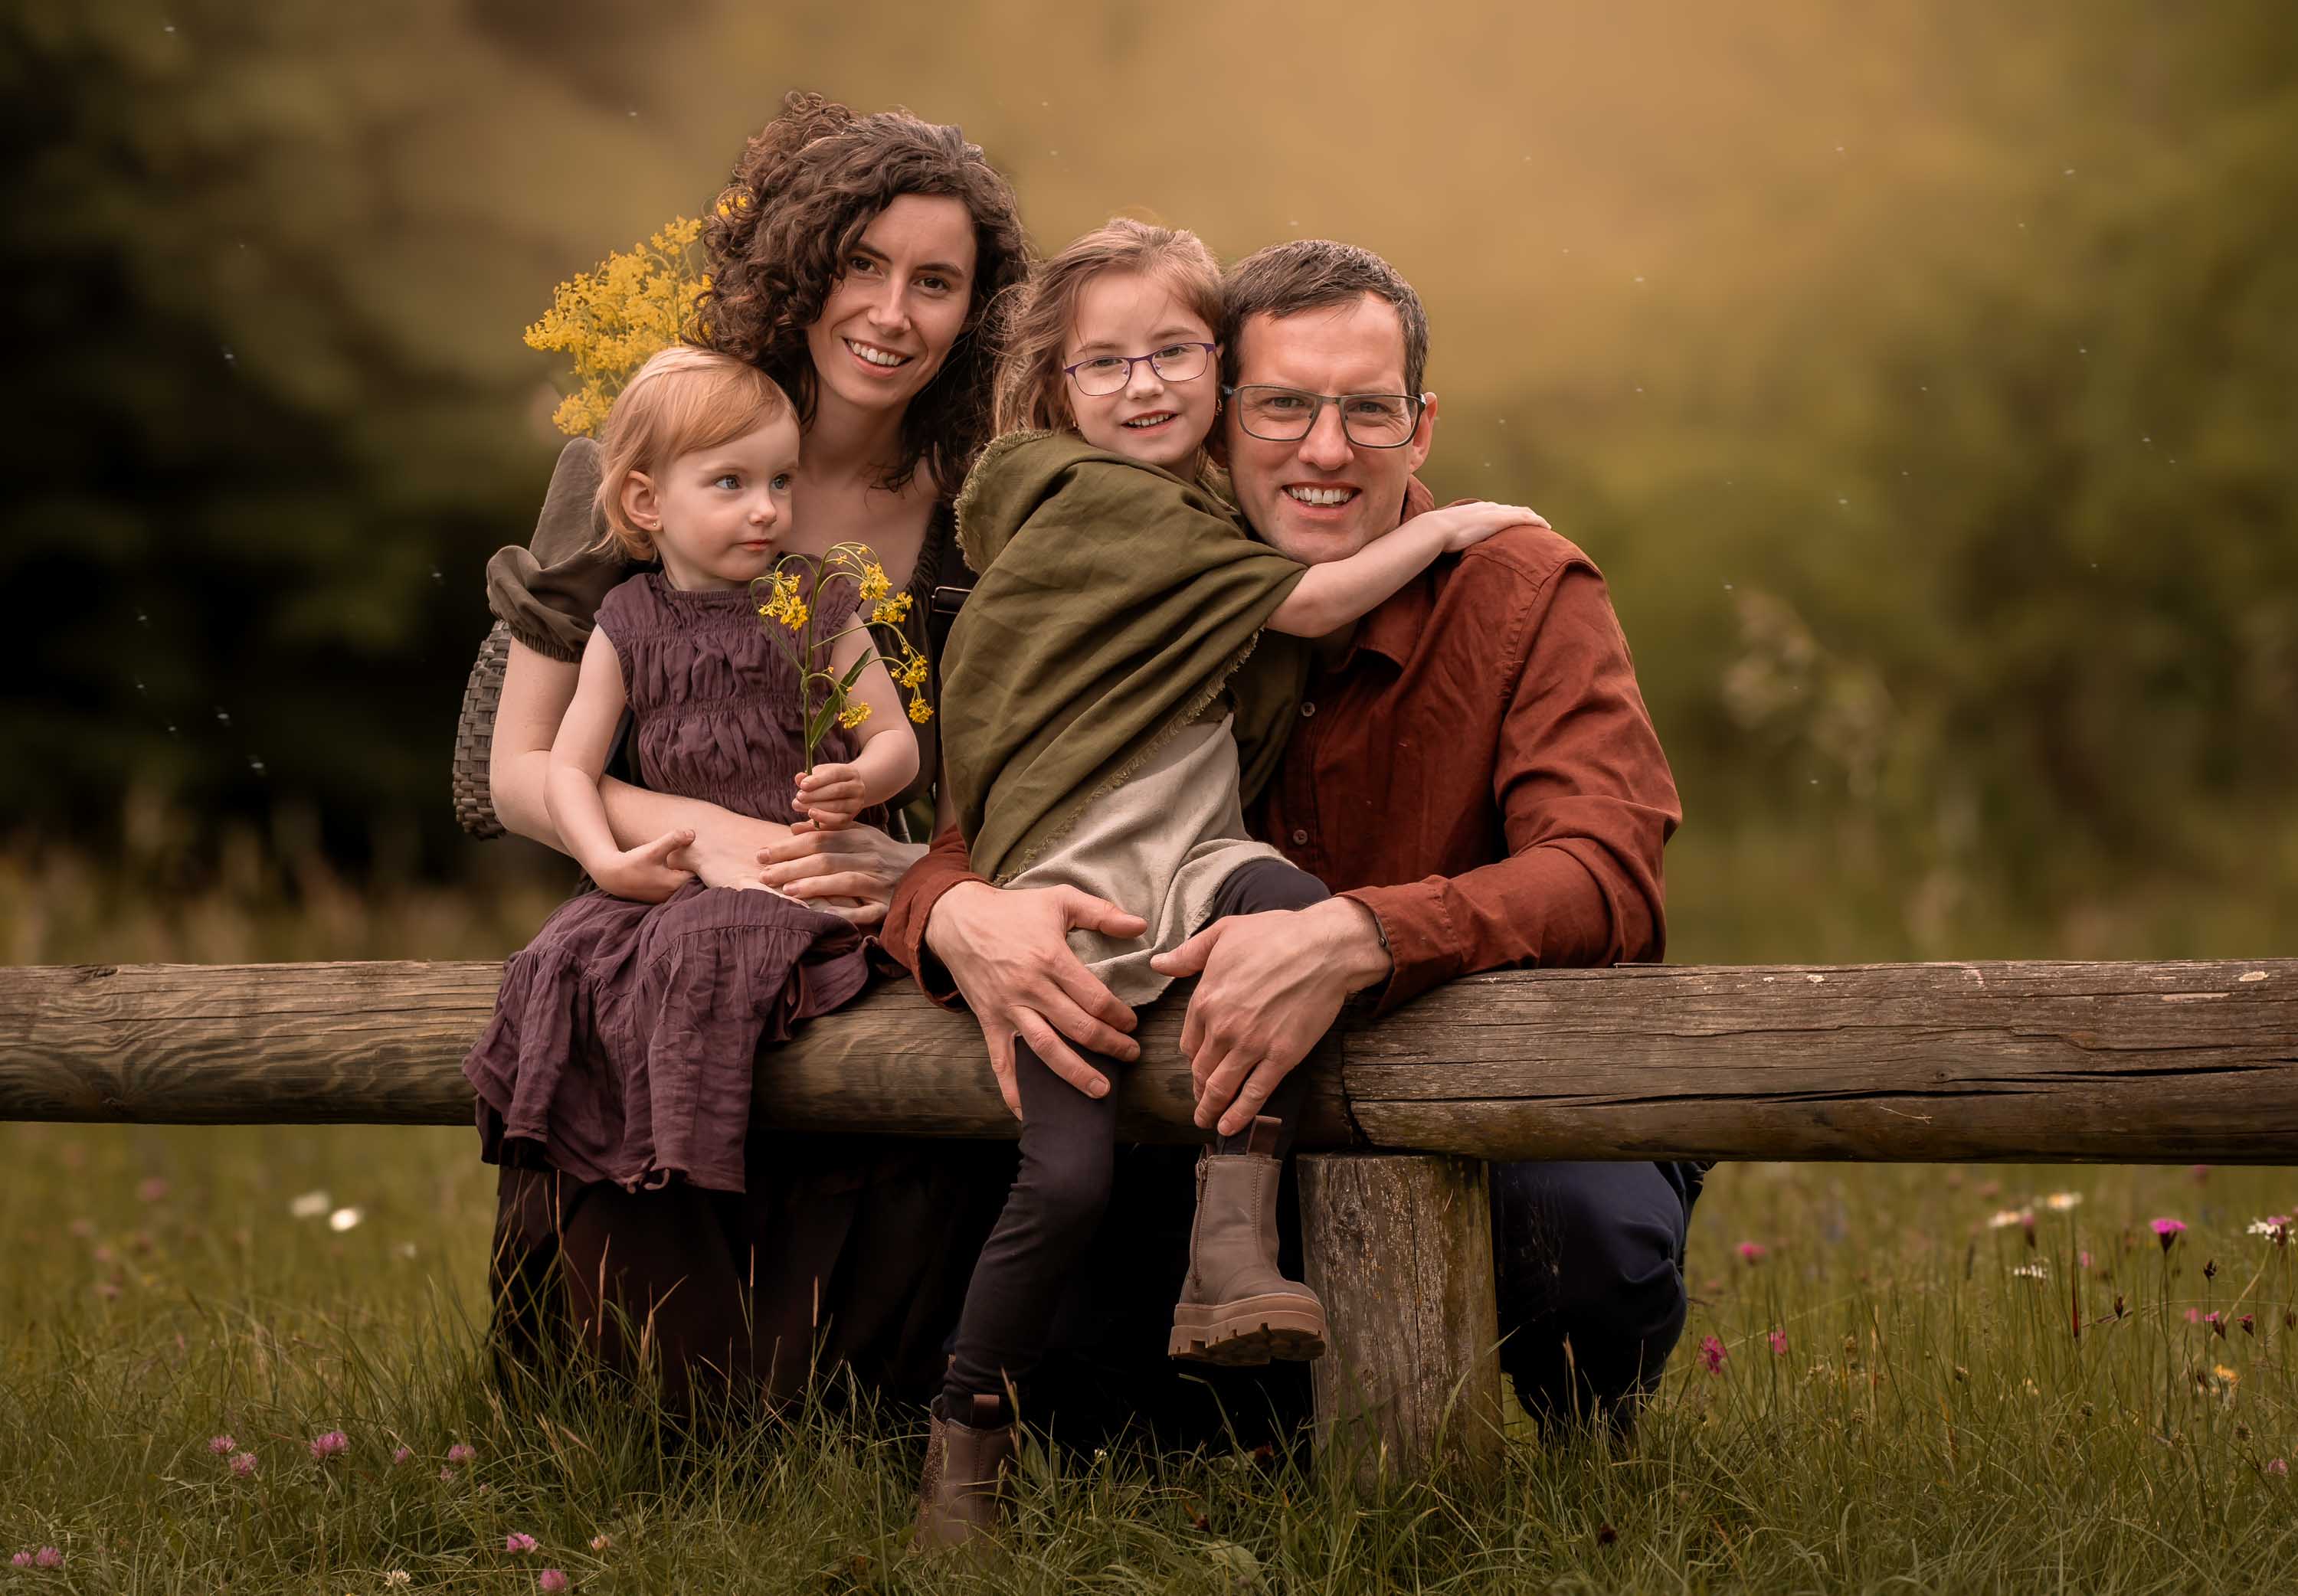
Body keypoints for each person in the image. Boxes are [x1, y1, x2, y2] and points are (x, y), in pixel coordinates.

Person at [877, 240, 1694, 1450]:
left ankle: (1577, 1457)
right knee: (1084, 1375)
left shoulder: (1518, 584)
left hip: (1478, 1069)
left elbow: (1605, 873)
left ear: (1420, 430)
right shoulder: (1126, 580)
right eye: (1283, 406)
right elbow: (1001, 812)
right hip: (1212, 1109)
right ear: (1220, 417)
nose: (1325, 449)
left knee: (1590, 1249)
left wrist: (1360, 934)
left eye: (1366, 411)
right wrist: (950, 913)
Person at [477, 93, 1030, 1414]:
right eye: (860, 264)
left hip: (874, 925)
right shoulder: (658, 449)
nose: (893, 312)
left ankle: (867, 1418)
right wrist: (706, 837)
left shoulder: (984, 504)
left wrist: (901, 865)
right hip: (662, 907)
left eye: (936, 282)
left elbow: (992, 779)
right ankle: (652, 1420)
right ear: (799, 261)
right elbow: (503, 772)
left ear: (976, 311)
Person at [466, 346, 919, 1226]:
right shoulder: (627, 620)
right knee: (564, 965)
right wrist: (606, 859)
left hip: (789, 869)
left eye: (781, 481)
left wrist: (860, 777)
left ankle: (699, 1166)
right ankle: (635, 1185)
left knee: (713, 944)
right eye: (730, 483)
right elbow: (567, 766)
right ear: (646, 502)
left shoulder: (819, 599)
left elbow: (896, 738)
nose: (766, 508)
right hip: (669, 875)